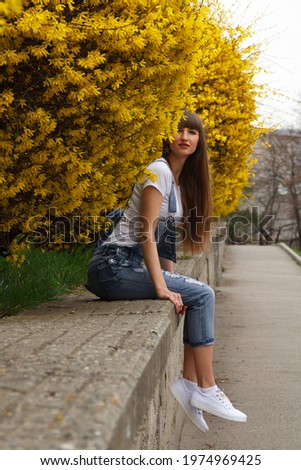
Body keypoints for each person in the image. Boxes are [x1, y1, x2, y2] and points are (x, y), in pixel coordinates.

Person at [86, 110, 247, 433]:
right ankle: (205, 387)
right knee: (204, 293)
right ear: (167, 137)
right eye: (179, 130)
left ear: (199, 141)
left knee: (195, 294)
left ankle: (191, 385)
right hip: (113, 266)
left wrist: (176, 284)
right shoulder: (158, 170)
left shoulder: (178, 182)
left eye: (192, 132)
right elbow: (146, 232)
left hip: (125, 266)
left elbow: (165, 242)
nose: (184, 137)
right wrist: (162, 287)